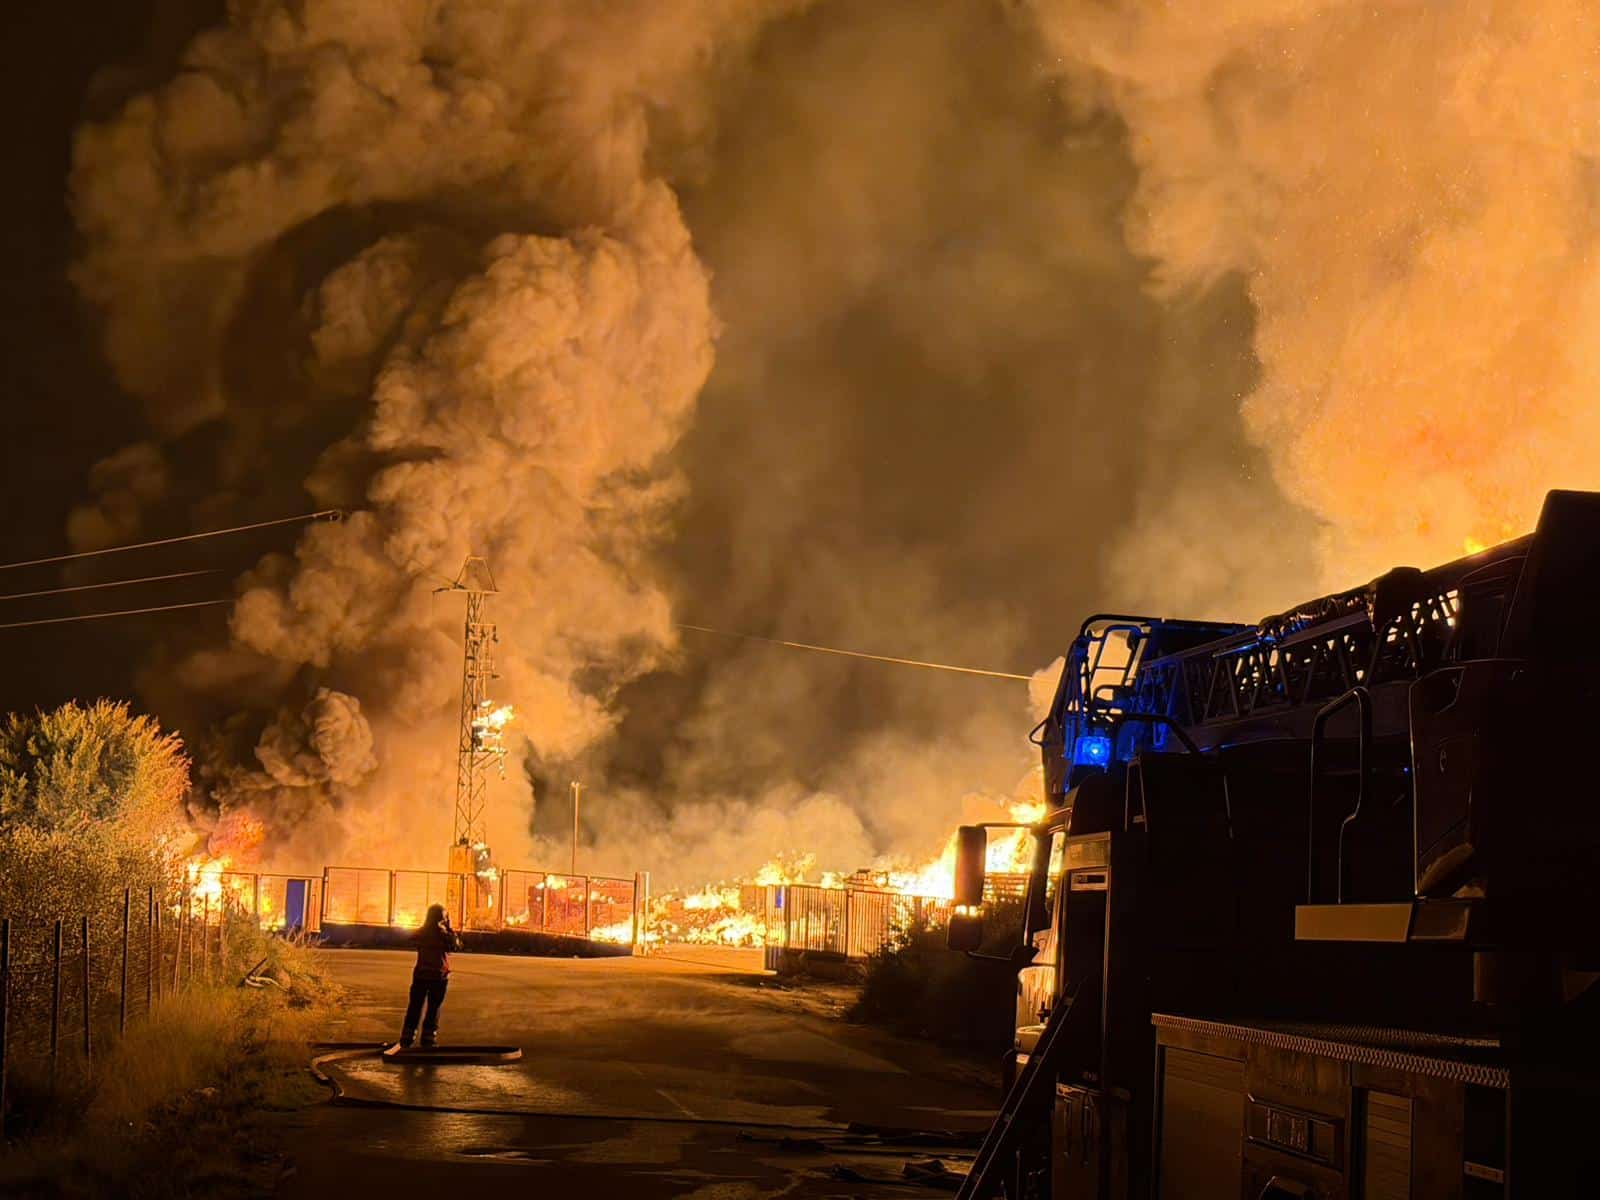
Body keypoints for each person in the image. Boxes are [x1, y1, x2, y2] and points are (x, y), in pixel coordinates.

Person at [400, 904, 460, 1048]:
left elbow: (412, 939)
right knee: (433, 1007)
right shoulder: (444, 935)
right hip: (439, 976)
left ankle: (407, 1036)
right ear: (443, 918)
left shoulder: (421, 933)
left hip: (421, 974)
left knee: (415, 1005)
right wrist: (450, 928)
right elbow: (456, 945)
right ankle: (428, 1038)